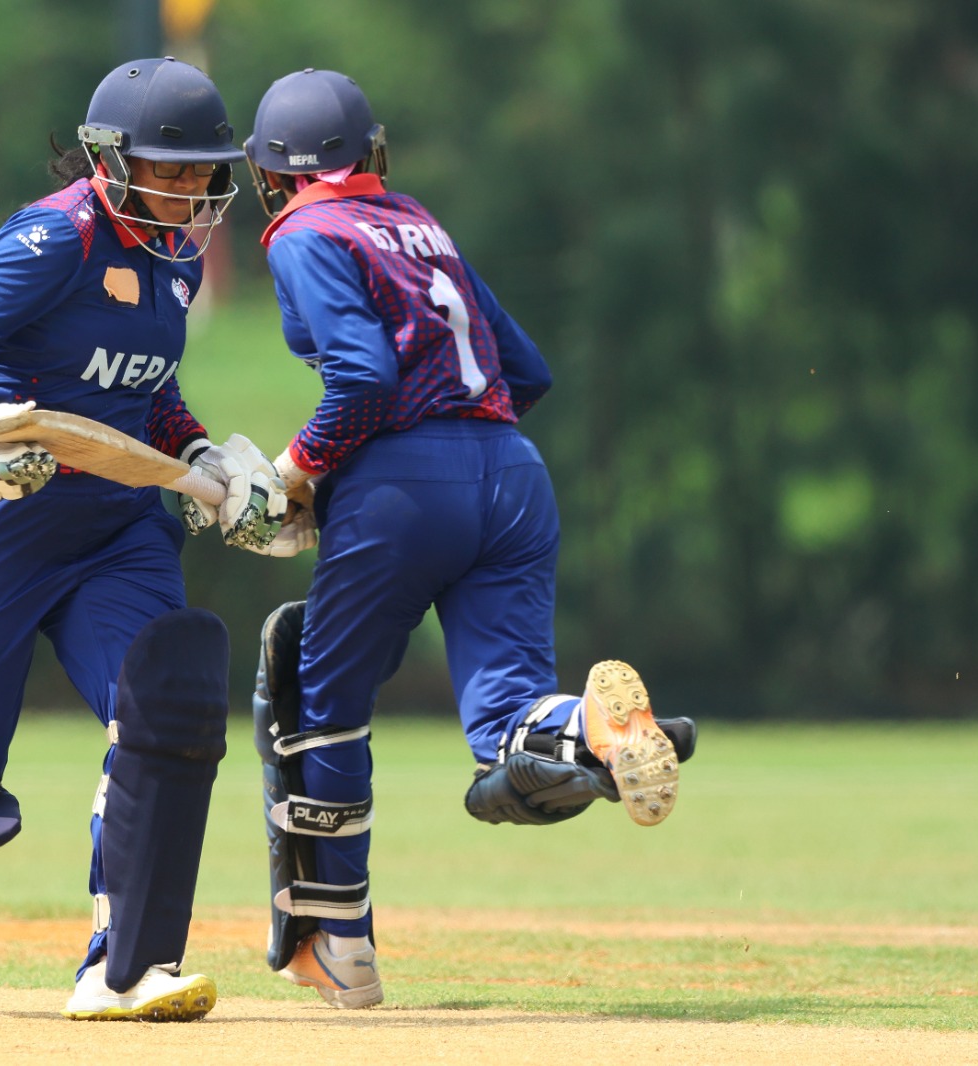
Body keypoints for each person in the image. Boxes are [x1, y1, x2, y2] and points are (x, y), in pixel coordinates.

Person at [0, 57, 294, 1023]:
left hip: (116, 528)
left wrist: (201, 453)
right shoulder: (58, 235)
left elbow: (143, 393)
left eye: (204, 170)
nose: (191, 190)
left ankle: (124, 966)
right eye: (168, 168)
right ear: (111, 157)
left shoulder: (173, 260)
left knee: (166, 706)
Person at [242, 69, 698, 1009]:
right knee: (505, 720)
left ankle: (344, 947)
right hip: (512, 469)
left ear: (274, 172)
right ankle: (595, 728)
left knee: (317, 697)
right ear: (370, 151)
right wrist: (458, 441)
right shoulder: (421, 221)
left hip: (406, 485)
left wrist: (299, 472)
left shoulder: (304, 230)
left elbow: (362, 381)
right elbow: (521, 367)